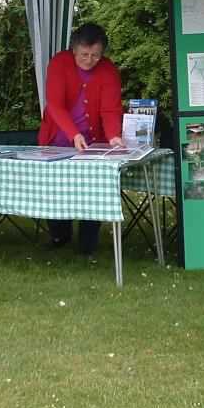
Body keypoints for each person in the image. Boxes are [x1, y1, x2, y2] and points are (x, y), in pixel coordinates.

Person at [38, 23, 123, 256]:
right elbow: (54, 104)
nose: (90, 60)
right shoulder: (59, 63)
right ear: (74, 51)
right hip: (59, 138)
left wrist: (114, 135)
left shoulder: (108, 70)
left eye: (95, 55)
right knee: (55, 190)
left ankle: (87, 245)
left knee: (92, 190)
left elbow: (111, 109)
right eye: (84, 55)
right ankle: (59, 236)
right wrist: (73, 133)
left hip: (94, 142)